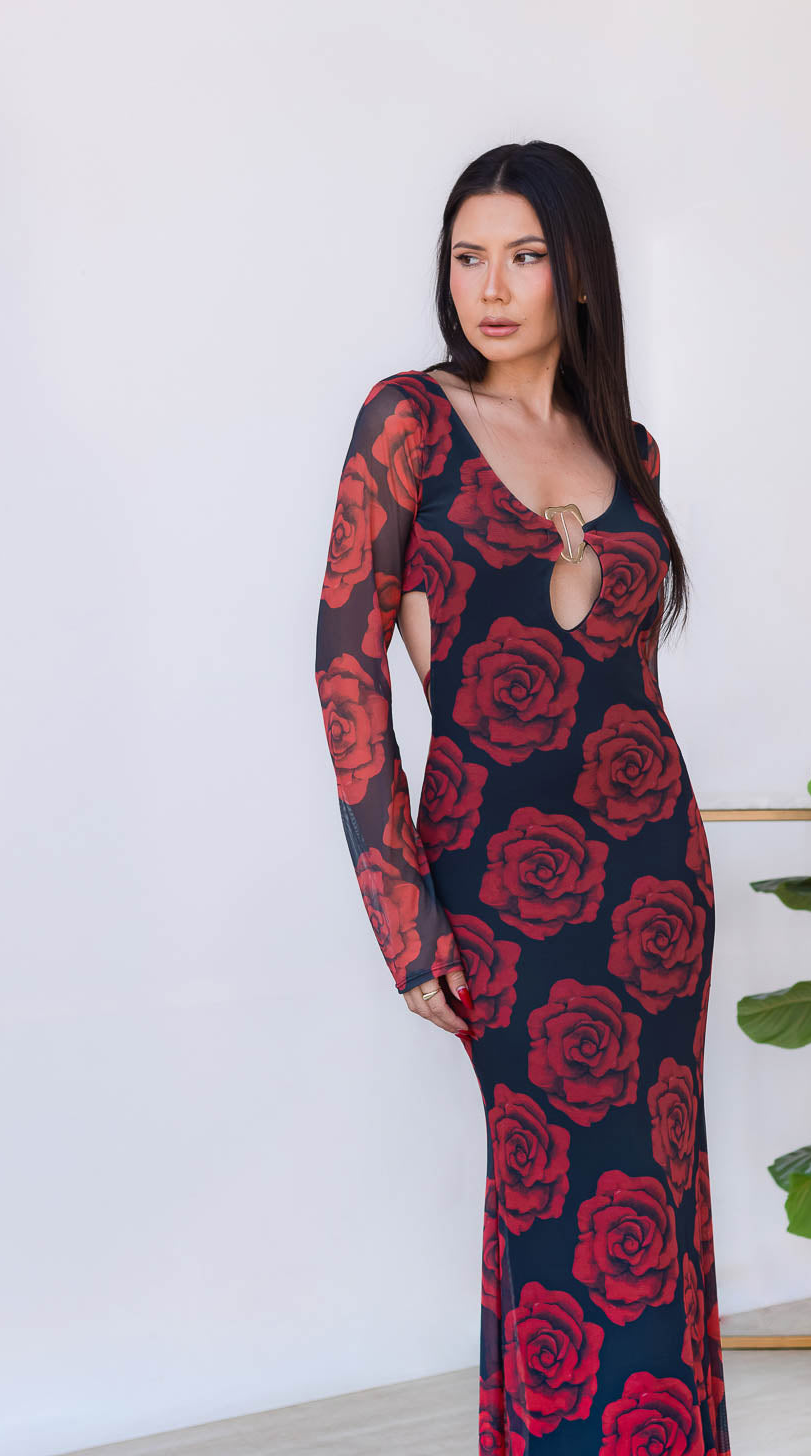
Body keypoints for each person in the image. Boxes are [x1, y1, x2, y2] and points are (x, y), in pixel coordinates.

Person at [314, 140, 731, 1455]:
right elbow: (345, 668)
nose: (490, 287)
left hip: (657, 885)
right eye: (468, 257)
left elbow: (627, 680)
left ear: (580, 274)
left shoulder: (631, 450)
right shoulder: (410, 421)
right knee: (556, 1212)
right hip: (501, 889)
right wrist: (405, 919)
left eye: (526, 256)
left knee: (659, 1202)